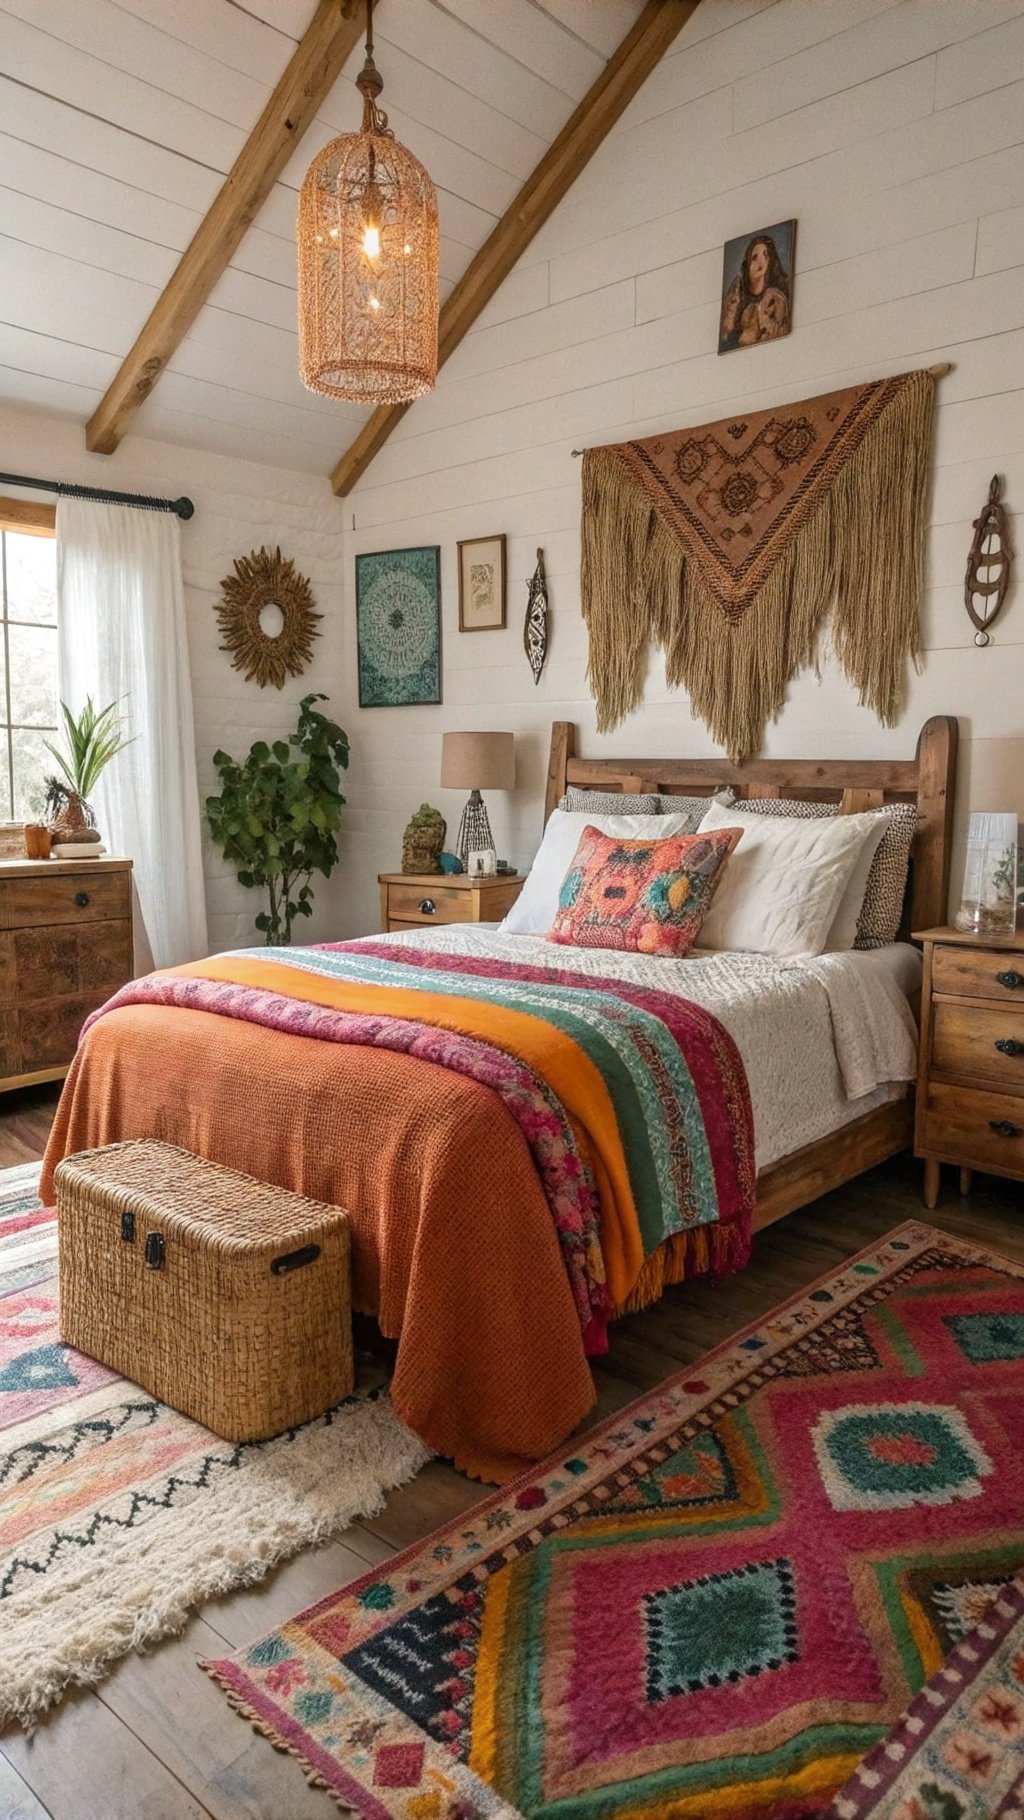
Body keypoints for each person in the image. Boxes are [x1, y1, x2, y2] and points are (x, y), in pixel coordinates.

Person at [719, 233, 791, 351]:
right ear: (748, 264)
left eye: (766, 255)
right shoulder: (737, 295)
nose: (760, 261)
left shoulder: (774, 298)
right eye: (754, 257)